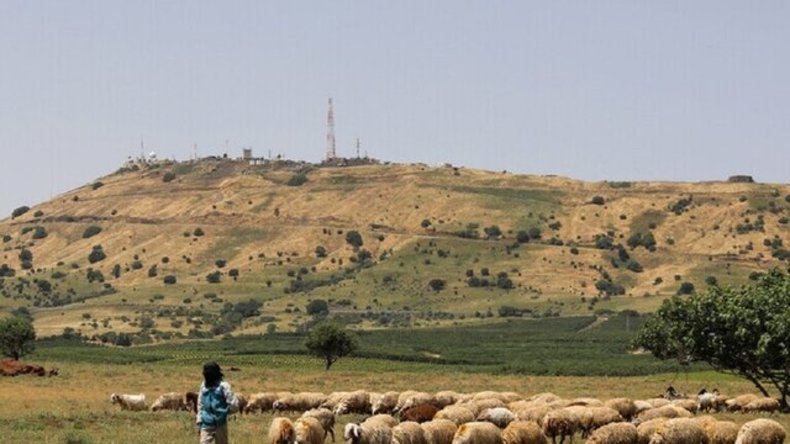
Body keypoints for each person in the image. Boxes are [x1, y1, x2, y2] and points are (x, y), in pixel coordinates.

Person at [196, 361, 239, 444]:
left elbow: (234, 405)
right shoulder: (203, 386)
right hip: (206, 424)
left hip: (220, 424)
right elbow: (200, 405)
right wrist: (199, 422)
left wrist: (224, 412)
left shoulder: (223, 386)